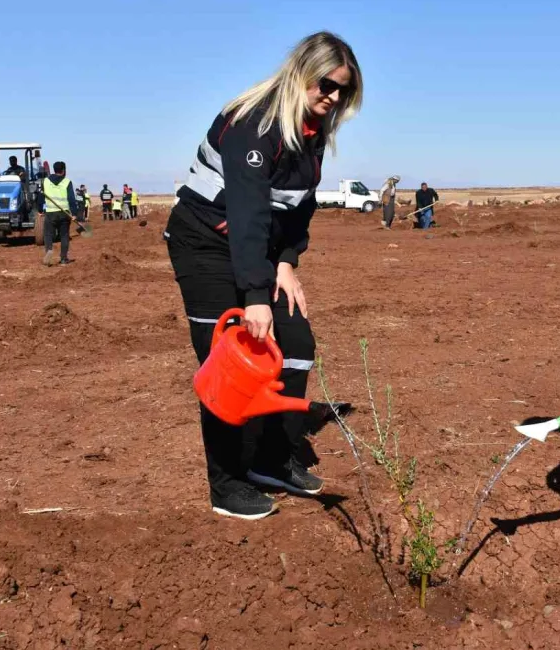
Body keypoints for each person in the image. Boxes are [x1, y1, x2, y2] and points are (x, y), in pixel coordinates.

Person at [164, 31, 362, 520]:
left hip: (259, 250)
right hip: (205, 243)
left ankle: (273, 459)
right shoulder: (254, 125)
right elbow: (249, 213)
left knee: (295, 343)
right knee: (227, 356)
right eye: (326, 85)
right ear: (301, 73)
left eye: (343, 91)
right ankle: (227, 483)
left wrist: (288, 262)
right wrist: (256, 294)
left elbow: (297, 209)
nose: (332, 98)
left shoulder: (311, 136)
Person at [39, 161, 79, 266]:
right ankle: (63, 259)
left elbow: (40, 196)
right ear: (64, 170)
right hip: (64, 214)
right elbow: (71, 199)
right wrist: (74, 214)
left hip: (50, 213)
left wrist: (40, 210)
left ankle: (49, 251)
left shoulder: (45, 181)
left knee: (48, 235)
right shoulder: (67, 182)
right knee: (64, 236)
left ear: (54, 169)